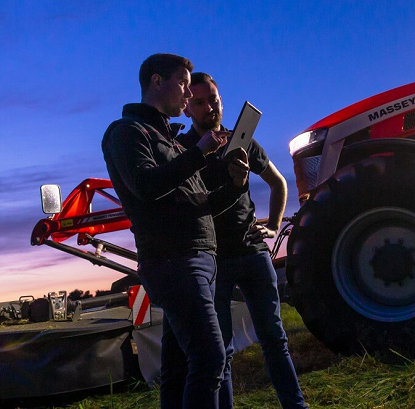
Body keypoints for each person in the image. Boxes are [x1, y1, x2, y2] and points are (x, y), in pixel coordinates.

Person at [102, 54, 250, 409]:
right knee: (211, 358)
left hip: (198, 260)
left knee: (180, 366)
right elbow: (145, 185)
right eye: (183, 83)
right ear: (156, 81)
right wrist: (199, 153)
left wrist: (234, 185)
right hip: (174, 262)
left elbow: (201, 206)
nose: (188, 93)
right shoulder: (126, 132)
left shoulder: (170, 141)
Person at [178, 72, 307, 409]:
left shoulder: (241, 139)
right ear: (187, 109)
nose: (210, 108)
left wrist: (273, 225)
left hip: (252, 253)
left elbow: (279, 183)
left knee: (275, 341)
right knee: (220, 354)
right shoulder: (185, 152)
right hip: (213, 261)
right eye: (200, 102)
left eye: (214, 99)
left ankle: (296, 406)